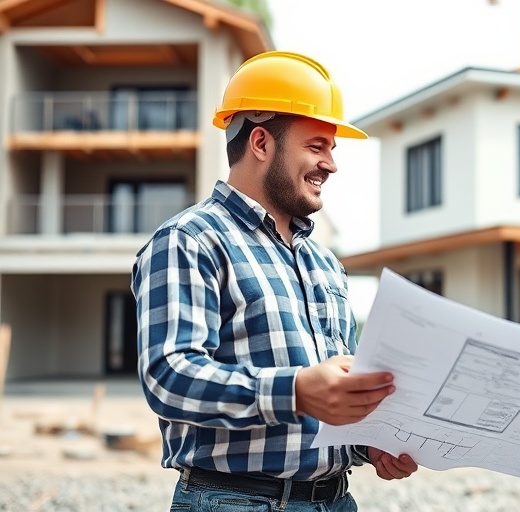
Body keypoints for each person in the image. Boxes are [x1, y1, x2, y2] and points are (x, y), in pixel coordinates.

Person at [131, 50, 418, 511]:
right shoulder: (191, 240)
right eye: (316, 146)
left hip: (335, 501)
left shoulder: (324, 262)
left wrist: (368, 444)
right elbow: (169, 376)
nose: (331, 164)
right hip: (235, 501)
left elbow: (335, 391)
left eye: (331, 148)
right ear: (261, 143)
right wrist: (295, 390)